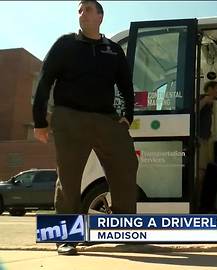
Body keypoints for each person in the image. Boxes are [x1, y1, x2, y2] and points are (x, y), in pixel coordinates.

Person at [32, 0, 138, 255]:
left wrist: (127, 114)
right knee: (69, 177)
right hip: (70, 118)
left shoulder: (113, 49)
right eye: (79, 10)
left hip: (106, 119)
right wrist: (39, 121)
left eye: (88, 9)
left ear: (100, 16)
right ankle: (67, 237)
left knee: (126, 165)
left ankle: (125, 231)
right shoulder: (64, 44)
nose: (82, 13)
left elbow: (125, 85)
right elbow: (45, 81)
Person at [197, 81, 217, 212]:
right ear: (210, 89)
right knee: (201, 173)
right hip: (200, 140)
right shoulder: (203, 99)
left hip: (206, 140)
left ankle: (205, 204)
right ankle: (199, 205)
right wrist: (205, 100)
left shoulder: (211, 105)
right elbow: (194, 111)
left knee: (209, 171)